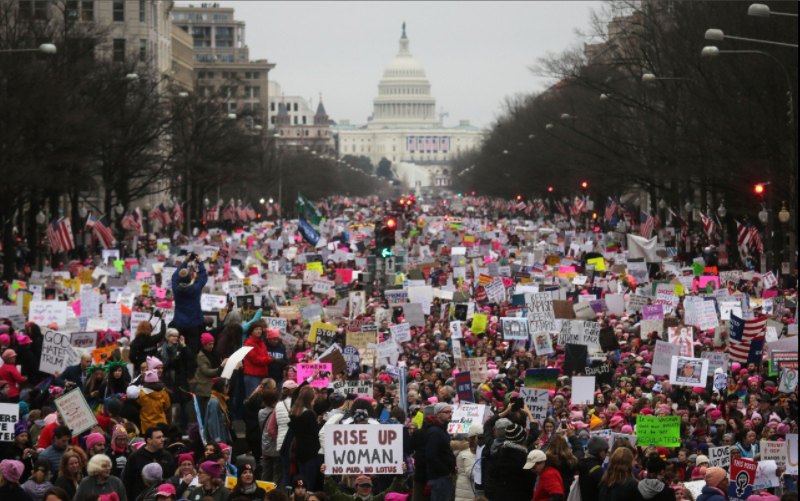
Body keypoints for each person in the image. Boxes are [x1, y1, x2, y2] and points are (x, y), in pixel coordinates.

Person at [120, 428, 175, 501]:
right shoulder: (135, 457)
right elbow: (127, 482)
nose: (162, 439)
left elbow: (172, 479)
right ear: (149, 440)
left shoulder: (167, 456)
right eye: (158, 437)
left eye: (162, 436)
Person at [172, 253, 208, 355]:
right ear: (190, 279)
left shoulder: (175, 289)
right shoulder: (195, 289)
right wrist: (200, 263)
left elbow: (174, 276)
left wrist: (185, 261)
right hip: (193, 325)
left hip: (179, 324)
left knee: (179, 350)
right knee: (192, 351)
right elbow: (203, 278)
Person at [159, 328, 195, 428]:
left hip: (180, 382)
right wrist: (171, 363)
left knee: (185, 409)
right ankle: (168, 430)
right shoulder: (161, 351)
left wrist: (184, 345)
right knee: (167, 409)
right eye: (173, 336)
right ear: (167, 337)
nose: (175, 338)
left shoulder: (181, 349)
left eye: (176, 336)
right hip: (168, 382)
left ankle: (184, 430)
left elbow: (191, 358)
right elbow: (161, 366)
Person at [288, 386, 321, 491]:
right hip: (310, 452)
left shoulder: (295, 414)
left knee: (302, 481)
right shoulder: (309, 415)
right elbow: (315, 433)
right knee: (309, 483)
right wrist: (320, 423)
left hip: (300, 451)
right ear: (309, 400)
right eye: (313, 400)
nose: (314, 402)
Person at [425, 403, 456, 501]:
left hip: (442, 477)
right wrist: (445, 472)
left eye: (450, 412)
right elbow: (431, 456)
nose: (450, 414)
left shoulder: (440, 430)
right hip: (440, 478)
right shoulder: (435, 432)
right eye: (446, 412)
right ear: (438, 414)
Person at [195, 334, 229, 413]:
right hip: (206, 389)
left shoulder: (215, 354)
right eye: (209, 344)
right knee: (206, 412)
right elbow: (206, 371)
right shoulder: (201, 356)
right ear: (204, 344)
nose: (212, 346)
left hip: (215, 386)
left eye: (213, 344)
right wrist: (220, 367)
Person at [322, 473, 405, 501]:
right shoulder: (348, 499)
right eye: (362, 485)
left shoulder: (376, 499)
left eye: (367, 485)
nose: (365, 488)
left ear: (371, 487)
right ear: (356, 487)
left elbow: (391, 491)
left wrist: (399, 477)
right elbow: (333, 493)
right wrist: (327, 477)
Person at [257, 388, 281, 485]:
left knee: (266, 474)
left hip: (265, 447)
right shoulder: (278, 412)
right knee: (278, 475)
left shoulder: (261, 412)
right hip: (275, 447)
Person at [242, 321, 272, 397]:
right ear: (252, 331)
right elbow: (255, 359)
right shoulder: (249, 343)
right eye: (256, 329)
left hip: (261, 374)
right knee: (252, 399)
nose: (259, 331)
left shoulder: (261, 342)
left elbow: (264, 356)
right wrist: (269, 359)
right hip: (252, 376)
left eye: (260, 329)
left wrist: (267, 358)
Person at [454, 424, 483, 501]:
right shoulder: (467, 454)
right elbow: (472, 473)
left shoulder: (475, 452)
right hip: (468, 495)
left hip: (468, 494)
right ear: (475, 438)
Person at [578, 435, 609, 501]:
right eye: (606, 451)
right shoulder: (597, 470)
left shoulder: (583, 462)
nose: (606, 454)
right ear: (600, 452)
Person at [205, 378, 233, 446]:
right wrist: (216, 439)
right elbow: (212, 422)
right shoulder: (214, 402)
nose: (228, 388)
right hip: (219, 438)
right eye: (226, 386)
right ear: (222, 387)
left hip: (223, 434)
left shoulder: (221, 399)